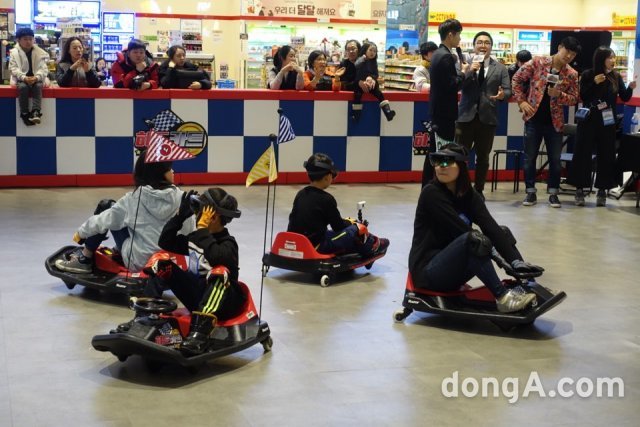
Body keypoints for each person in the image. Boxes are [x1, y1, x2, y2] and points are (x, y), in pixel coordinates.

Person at [408, 144, 543, 313]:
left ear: (462, 165)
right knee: (473, 240)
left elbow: (491, 227)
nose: (440, 167)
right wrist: (499, 259)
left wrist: (516, 262)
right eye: (437, 161)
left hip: (452, 268)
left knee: (502, 232)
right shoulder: (431, 193)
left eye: (447, 162)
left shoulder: (470, 195)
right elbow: (461, 230)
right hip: (428, 273)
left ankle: (527, 284)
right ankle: (502, 298)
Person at [142, 188, 245, 355]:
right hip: (198, 299)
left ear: (214, 216)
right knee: (161, 261)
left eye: (200, 210)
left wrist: (203, 228)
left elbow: (216, 256)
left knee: (219, 273)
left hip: (225, 304)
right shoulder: (196, 238)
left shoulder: (228, 244)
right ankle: (144, 317)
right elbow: (165, 241)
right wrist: (180, 216)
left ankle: (199, 335)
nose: (196, 214)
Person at [55, 151, 192, 274]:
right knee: (129, 220)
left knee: (107, 207)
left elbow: (103, 220)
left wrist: (81, 233)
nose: (173, 171)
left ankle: (84, 259)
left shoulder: (132, 199)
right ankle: (116, 250)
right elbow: (190, 233)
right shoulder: (183, 198)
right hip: (172, 262)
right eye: (169, 169)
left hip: (139, 263)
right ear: (159, 174)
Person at [512, 36, 580, 208]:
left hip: (555, 123)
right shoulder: (538, 62)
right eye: (567, 51)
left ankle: (553, 194)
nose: (569, 56)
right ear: (559, 47)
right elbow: (516, 79)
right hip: (533, 119)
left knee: (555, 160)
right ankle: (530, 192)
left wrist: (559, 95)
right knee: (530, 158)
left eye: (573, 55)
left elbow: (574, 98)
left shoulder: (572, 74)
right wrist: (521, 101)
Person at [568, 46, 636, 207]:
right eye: (609, 57)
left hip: (607, 120)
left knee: (607, 154)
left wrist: (630, 88)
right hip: (589, 119)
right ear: (601, 59)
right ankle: (580, 190)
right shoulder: (588, 74)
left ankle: (602, 190)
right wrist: (594, 83)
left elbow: (625, 97)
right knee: (583, 153)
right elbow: (583, 96)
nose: (613, 61)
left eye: (613, 57)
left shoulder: (615, 76)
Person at [287, 153, 389, 256]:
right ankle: (371, 245)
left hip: (297, 242)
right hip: (316, 246)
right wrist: (351, 223)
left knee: (329, 232)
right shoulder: (327, 199)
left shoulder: (301, 194)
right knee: (355, 229)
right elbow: (338, 226)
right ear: (327, 177)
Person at [456, 31, 512, 199]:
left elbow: (508, 90)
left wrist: (502, 95)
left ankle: (479, 190)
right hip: (465, 117)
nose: (483, 45)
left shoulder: (500, 68)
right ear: (474, 46)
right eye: (479, 42)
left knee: (483, 157)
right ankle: (461, 188)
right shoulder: (464, 64)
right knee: (459, 156)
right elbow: (457, 86)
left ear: (491, 47)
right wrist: (469, 71)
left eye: (487, 42)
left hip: (488, 118)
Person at [428, 18, 469, 147]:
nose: (460, 38)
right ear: (450, 35)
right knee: (443, 150)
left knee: (435, 150)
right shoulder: (446, 56)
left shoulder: (437, 53)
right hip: (445, 113)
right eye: (459, 34)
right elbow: (452, 85)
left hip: (438, 111)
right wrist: (463, 72)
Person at [9, 27, 49, 126]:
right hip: (21, 78)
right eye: (25, 39)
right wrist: (24, 78)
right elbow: (13, 69)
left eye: (30, 39)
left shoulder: (39, 52)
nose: (28, 41)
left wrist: (37, 77)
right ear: (18, 40)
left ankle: (36, 112)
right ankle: (24, 112)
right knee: (23, 87)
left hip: (36, 78)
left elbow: (43, 68)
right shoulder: (14, 53)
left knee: (38, 86)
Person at [351, 42, 395, 122]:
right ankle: (356, 114)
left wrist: (372, 78)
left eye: (374, 51)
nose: (372, 53)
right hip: (360, 84)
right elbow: (356, 67)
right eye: (370, 50)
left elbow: (376, 74)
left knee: (379, 94)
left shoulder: (374, 63)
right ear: (365, 50)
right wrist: (362, 59)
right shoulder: (361, 59)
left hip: (371, 84)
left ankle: (388, 112)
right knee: (357, 95)